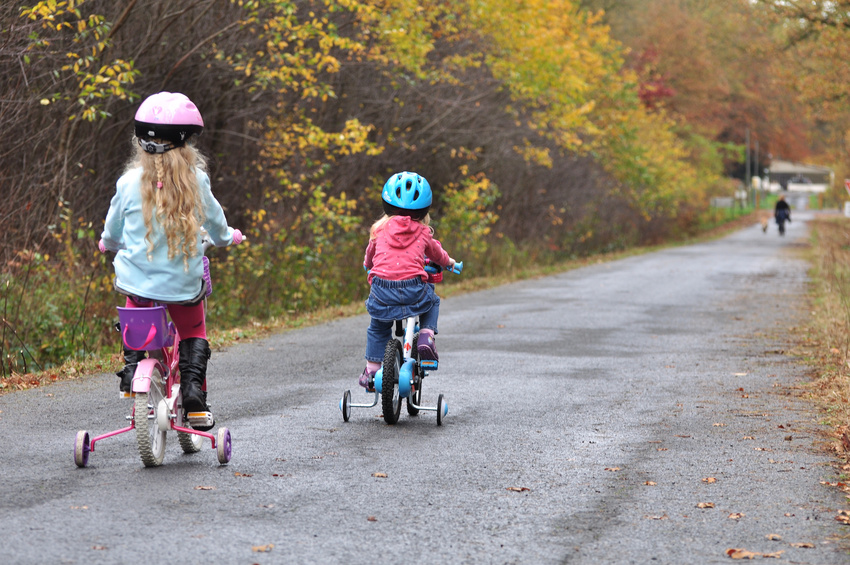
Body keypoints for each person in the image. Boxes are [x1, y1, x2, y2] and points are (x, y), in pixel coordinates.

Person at [99, 91, 242, 430]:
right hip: (181, 288)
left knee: (136, 302)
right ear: (186, 146)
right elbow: (219, 230)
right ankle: (194, 394)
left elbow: (111, 231)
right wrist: (229, 237)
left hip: (137, 286)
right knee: (194, 330)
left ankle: (133, 363)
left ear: (140, 144)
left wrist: (108, 244)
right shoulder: (197, 183)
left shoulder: (128, 183)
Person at [359, 171, 457, 389]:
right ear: (424, 210)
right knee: (431, 300)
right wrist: (449, 262)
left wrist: (368, 266)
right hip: (413, 288)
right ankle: (425, 336)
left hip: (381, 290)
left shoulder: (379, 230)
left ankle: (372, 373)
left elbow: (370, 256)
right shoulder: (423, 232)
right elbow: (437, 255)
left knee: (377, 327)